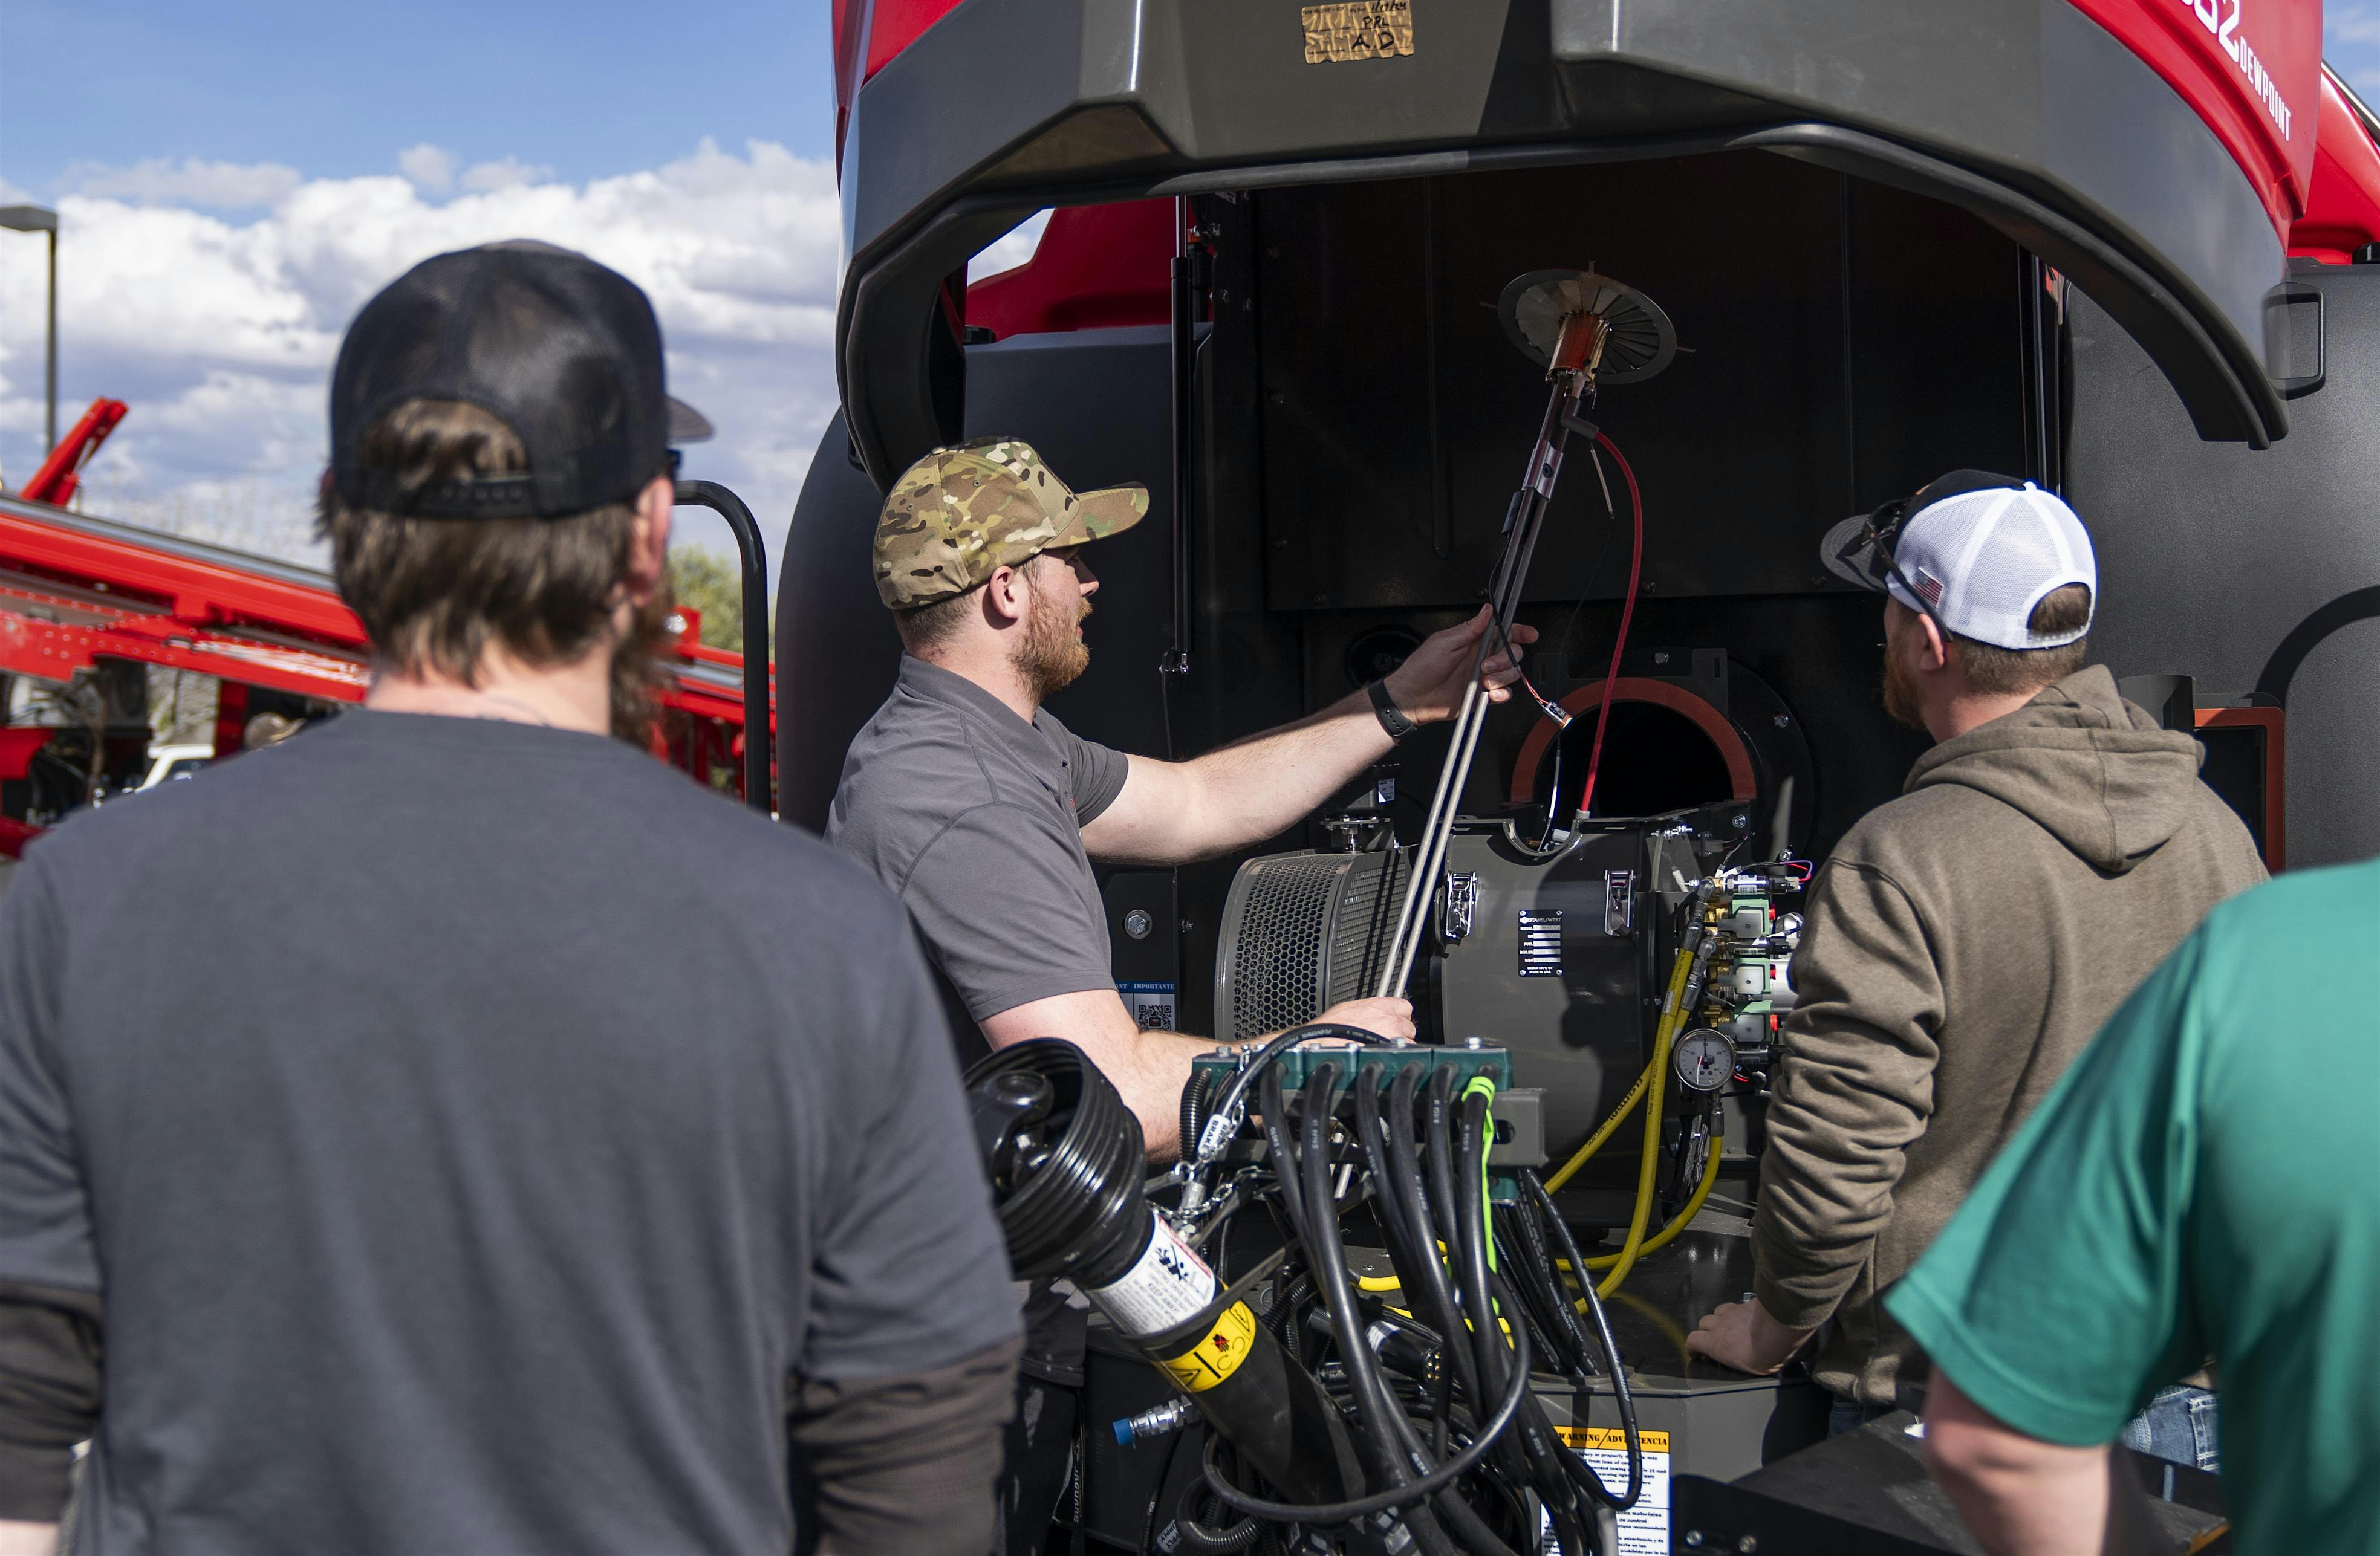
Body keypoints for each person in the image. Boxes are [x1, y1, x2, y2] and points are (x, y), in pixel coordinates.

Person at [0, 244, 1020, 1556]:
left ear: (341, 518)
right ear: (651, 536)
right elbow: (914, 1471)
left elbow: (20, 1424)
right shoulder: (826, 941)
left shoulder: (86, 903)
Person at [826, 436, 1534, 1552]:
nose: (1092, 580)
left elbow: (1198, 802)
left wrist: (1401, 701)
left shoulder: (1004, 745)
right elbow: (1104, 1100)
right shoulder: (955, 796)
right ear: (1009, 588)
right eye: (1074, 557)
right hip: (973, 1351)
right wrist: (1308, 1049)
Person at [1685, 472, 2263, 1450]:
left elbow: (1838, 1155)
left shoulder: (1903, 854)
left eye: (1891, 617)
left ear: (1929, 641)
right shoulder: (2216, 833)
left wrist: (1771, 1323)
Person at [1889, 859, 2380, 1556]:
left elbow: (1999, 1444)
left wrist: (1782, 1318)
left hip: (2017, 1352)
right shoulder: (2219, 835)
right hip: (2189, 1391)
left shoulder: (2274, 952)